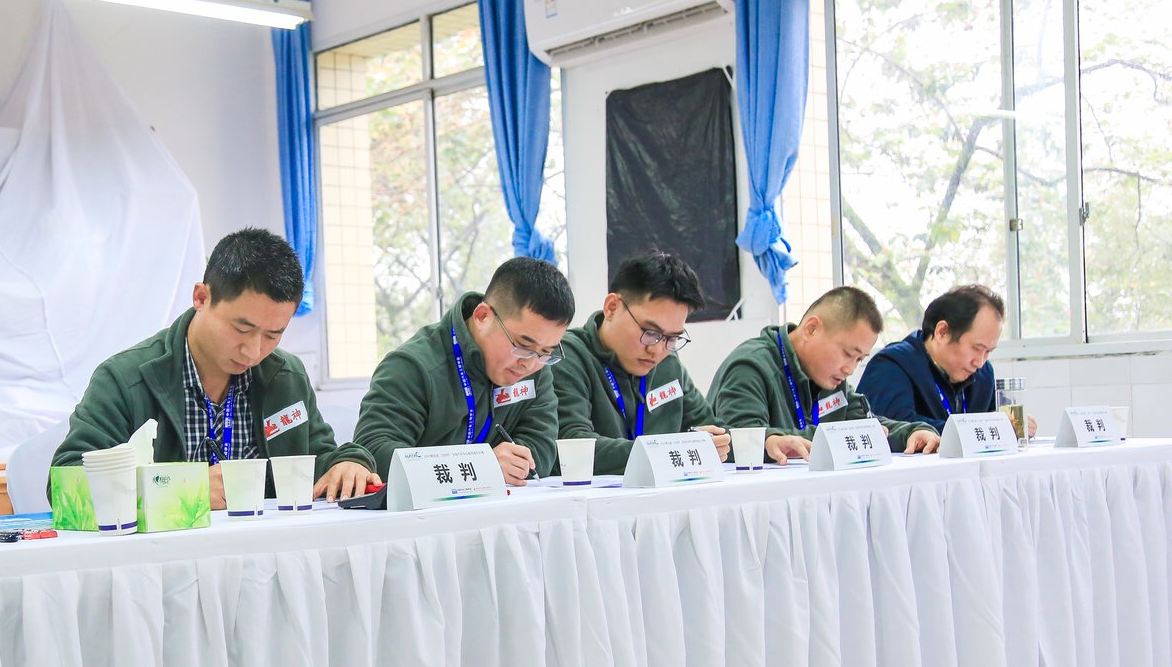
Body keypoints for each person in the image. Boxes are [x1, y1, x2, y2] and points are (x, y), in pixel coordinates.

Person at [54, 227, 377, 506]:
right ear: (201, 297)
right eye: (241, 328)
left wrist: (349, 463)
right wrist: (182, 490)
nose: (253, 351)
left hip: (264, 552)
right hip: (166, 555)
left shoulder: (285, 377)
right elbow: (67, 484)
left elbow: (318, 458)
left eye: (272, 335)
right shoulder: (125, 380)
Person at [555, 252, 813, 472]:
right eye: (650, 332)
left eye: (672, 338)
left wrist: (764, 443)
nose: (657, 349)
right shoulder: (567, 356)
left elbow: (712, 432)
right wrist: (673, 452)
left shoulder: (667, 364)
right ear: (612, 307)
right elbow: (575, 446)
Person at [354, 256, 573, 485]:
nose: (530, 364)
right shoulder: (412, 367)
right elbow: (374, 452)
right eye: (523, 346)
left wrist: (509, 465)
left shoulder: (535, 368)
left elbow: (541, 449)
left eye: (546, 352)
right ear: (482, 316)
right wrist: (480, 466)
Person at [708, 285, 942, 456]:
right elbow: (743, 443)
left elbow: (866, 426)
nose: (850, 369)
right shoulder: (750, 366)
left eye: (859, 359)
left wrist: (911, 433)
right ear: (811, 329)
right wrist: (842, 436)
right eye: (847, 354)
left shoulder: (830, 378)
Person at [857, 283, 1035, 436]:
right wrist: (984, 429)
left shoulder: (983, 374)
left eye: (988, 352)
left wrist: (1011, 426)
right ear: (942, 332)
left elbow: (992, 424)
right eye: (976, 348)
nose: (980, 362)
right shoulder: (891, 366)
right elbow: (895, 428)